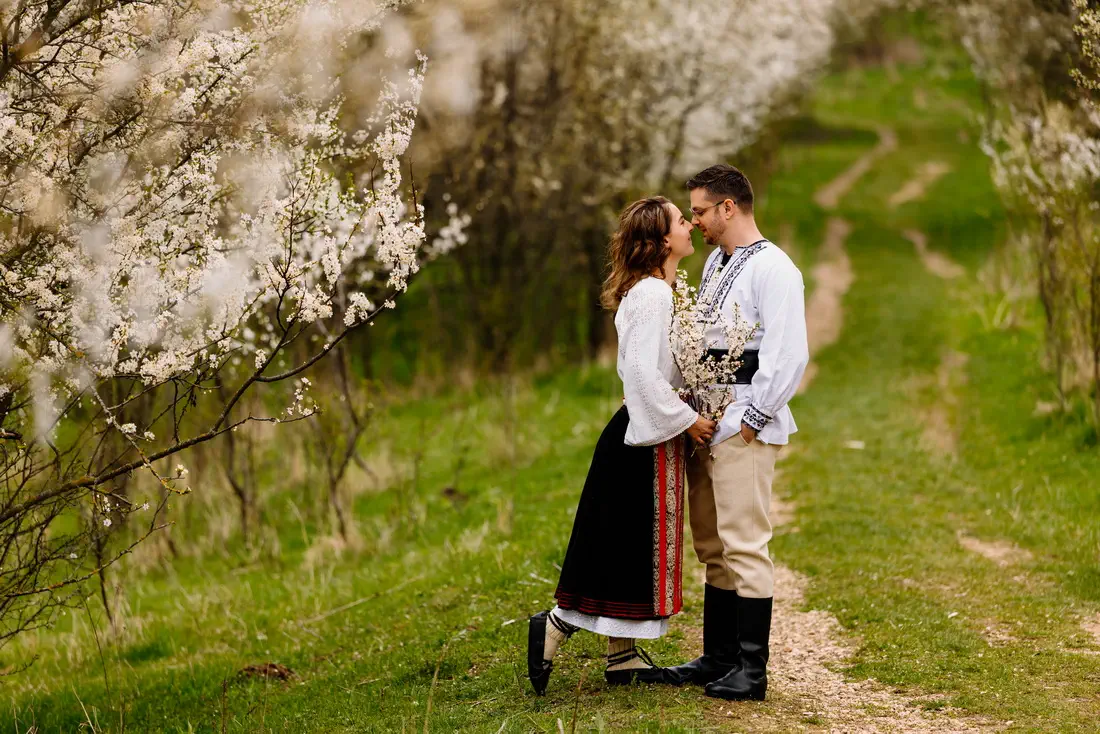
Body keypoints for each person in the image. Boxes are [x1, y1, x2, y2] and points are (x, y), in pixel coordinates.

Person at [526, 196, 717, 696]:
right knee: (619, 546)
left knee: (629, 545)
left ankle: (623, 657)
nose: (690, 226)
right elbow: (638, 372)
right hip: (643, 436)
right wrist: (689, 418)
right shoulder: (653, 294)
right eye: (681, 221)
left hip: (644, 429)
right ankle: (554, 626)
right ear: (659, 240)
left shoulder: (657, 290)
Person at [666, 165, 809, 701]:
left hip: (745, 420)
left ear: (729, 207)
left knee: (745, 544)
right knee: (712, 545)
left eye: (700, 210)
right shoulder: (715, 264)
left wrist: (753, 420)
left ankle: (753, 671)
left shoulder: (775, 269)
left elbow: (789, 353)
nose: (695, 221)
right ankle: (719, 657)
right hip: (706, 421)